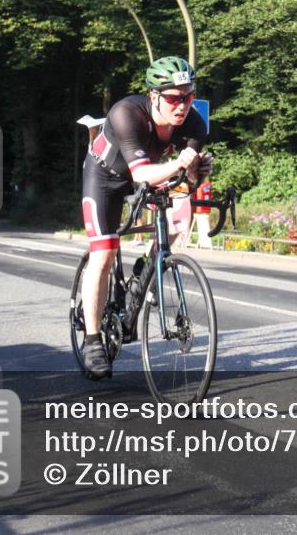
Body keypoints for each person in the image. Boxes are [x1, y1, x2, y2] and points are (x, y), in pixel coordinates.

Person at [80, 55, 213, 379]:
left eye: (188, 96)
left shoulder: (195, 124)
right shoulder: (127, 113)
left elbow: (188, 179)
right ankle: (93, 339)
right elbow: (142, 173)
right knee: (104, 252)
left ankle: (145, 275)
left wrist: (197, 171)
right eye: (173, 98)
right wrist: (180, 164)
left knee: (165, 235)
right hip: (105, 177)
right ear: (154, 96)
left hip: (152, 174)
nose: (182, 105)